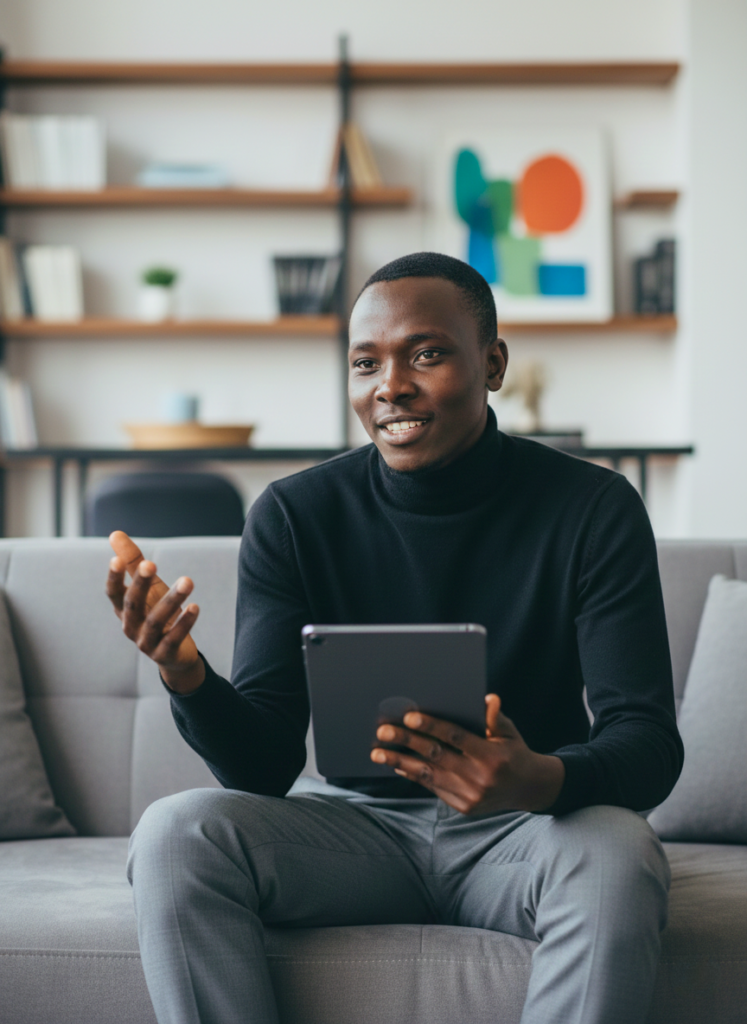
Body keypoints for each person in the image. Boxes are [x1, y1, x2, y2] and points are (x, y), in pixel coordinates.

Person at [108, 252, 683, 1024]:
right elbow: (267, 765)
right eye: (364, 362)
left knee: (618, 853)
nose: (390, 386)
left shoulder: (593, 508)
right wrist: (187, 676)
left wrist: (534, 778)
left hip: (527, 834)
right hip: (352, 830)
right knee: (174, 832)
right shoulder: (293, 515)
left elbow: (645, 744)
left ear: (493, 363)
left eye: (427, 353)